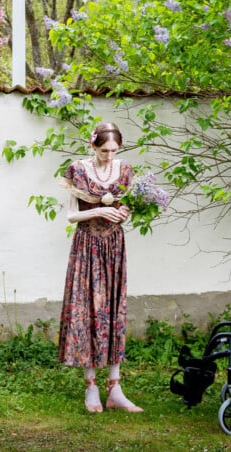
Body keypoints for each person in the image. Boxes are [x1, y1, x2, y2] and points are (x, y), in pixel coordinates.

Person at [57, 122, 143, 413]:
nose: (109, 155)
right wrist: (97, 209)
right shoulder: (78, 170)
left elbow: (127, 208)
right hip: (87, 247)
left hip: (114, 246)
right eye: (104, 150)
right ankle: (91, 387)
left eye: (114, 150)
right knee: (88, 311)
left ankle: (115, 389)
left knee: (114, 311)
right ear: (93, 146)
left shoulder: (125, 170)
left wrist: (123, 211)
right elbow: (71, 215)